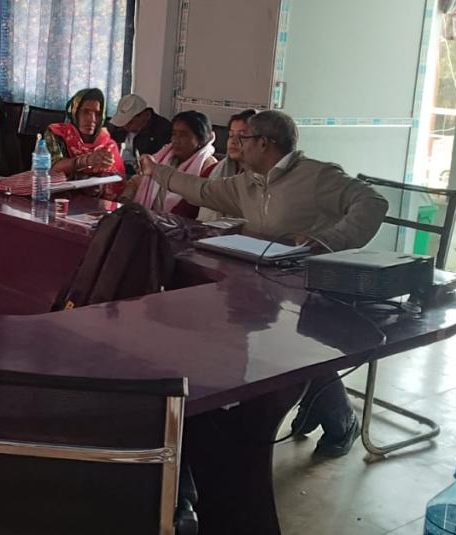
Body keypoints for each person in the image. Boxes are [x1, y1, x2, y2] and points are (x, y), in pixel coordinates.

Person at [138, 109, 387, 457]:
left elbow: (373, 201)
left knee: (291, 348)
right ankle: (308, 407)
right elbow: (203, 190)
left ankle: (341, 420)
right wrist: (156, 171)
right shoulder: (249, 181)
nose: (237, 145)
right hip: (264, 282)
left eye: (244, 139)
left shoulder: (316, 176)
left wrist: (329, 239)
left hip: (309, 286)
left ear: (264, 143)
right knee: (247, 334)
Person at [121, 111, 217, 218]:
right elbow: (136, 181)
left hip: (182, 224)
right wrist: (124, 202)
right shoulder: (164, 156)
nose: (176, 140)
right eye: (174, 134)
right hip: (150, 220)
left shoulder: (208, 166)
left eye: (183, 135)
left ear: (200, 139)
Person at [43, 88, 126, 199]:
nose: (92, 119)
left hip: (96, 204)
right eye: (86, 112)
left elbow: (118, 181)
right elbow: (52, 168)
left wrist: (101, 186)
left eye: (97, 114)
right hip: (57, 199)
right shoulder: (57, 133)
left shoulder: (107, 144)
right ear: (75, 112)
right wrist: (87, 160)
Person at [198, 108, 255, 221]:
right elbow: (188, 205)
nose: (233, 141)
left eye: (242, 136)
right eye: (231, 135)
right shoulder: (213, 170)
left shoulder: (264, 178)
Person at [107, 93, 172, 174]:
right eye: (123, 123)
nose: (125, 127)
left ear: (146, 115)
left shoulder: (163, 131)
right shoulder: (122, 128)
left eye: (130, 123)